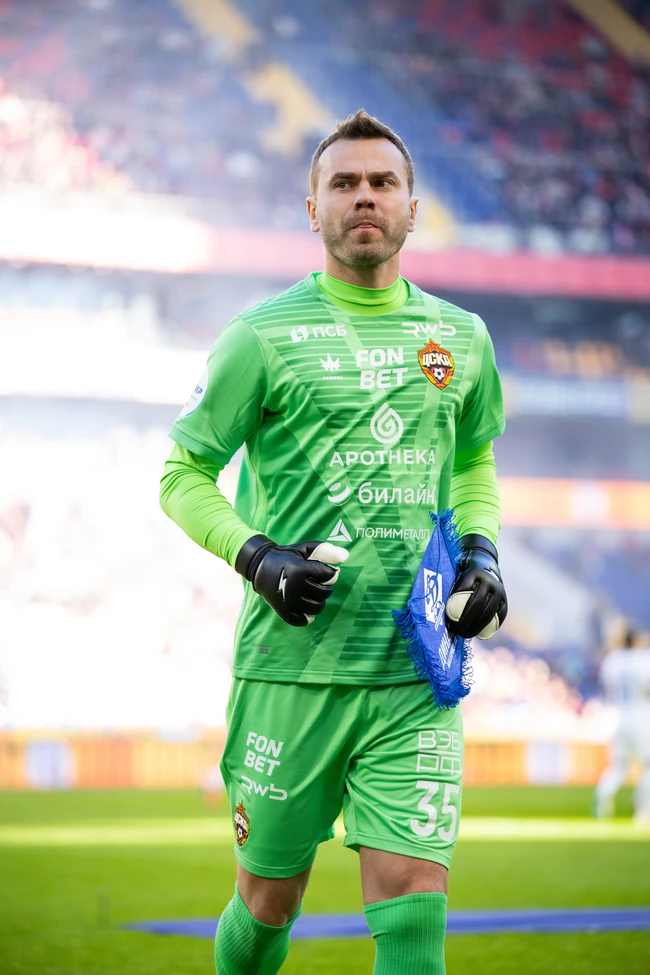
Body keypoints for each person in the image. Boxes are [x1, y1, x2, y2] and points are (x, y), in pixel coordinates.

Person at [160, 109, 507, 975]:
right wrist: (256, 556)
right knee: (266, 903)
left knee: (414, 898)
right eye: (343, 183)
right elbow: (181, 473)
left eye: (383, 183)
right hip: (290, 670)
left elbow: (473, 460)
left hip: (413, 672)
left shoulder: (461, 339)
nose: (364, 197)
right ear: (311, 207)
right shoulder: (259, 336)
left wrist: (482, 551)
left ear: (413, 209)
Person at [594, 627, 650, 822]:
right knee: (648, 766)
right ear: (636, 642)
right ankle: (643, 811)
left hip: (619, 716)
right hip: (641, 716)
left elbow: (606, 687)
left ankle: (602, 800)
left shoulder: (613, 660)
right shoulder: (643, 659)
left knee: (618, 766)